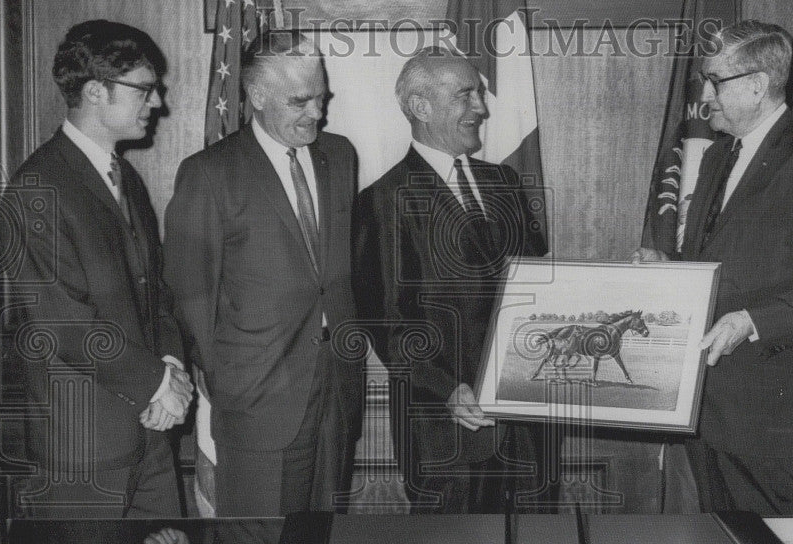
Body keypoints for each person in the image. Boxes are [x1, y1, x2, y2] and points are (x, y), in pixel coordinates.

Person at [635, 20, 793, 514]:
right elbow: (724, 262)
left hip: (771, 420)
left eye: (715, 81)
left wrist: (752, 321)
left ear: (756, 85)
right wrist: (671, 270)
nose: (706, 95)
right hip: (709, 410)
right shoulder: (718, 156)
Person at [163, 30, 363, 517]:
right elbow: (189, 296)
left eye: (321, 97)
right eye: (300, 100)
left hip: (337, 390)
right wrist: (232, 380)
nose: (317, 113)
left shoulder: (340, 156)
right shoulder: (209, 174)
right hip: (257, 401)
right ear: (257, 96)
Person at [5, 20, 192, 518]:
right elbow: (64, 324)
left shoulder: (124, 178)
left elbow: (159, 294)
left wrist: (171, 367)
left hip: (153, 438)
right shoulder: (37, 187)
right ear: (94, 92)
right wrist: (157, 383)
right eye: (144, 90)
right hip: (83, 456)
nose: (156, 104)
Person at [353, 46, 551, 513]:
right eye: (466, 96)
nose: (481, 109)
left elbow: (538, 287)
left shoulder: (503, 181)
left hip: (528, 421)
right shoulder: (384, 200)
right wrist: (447, 389)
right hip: (444, 427)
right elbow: (386, 325)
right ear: (420, 107)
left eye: (479, 95)